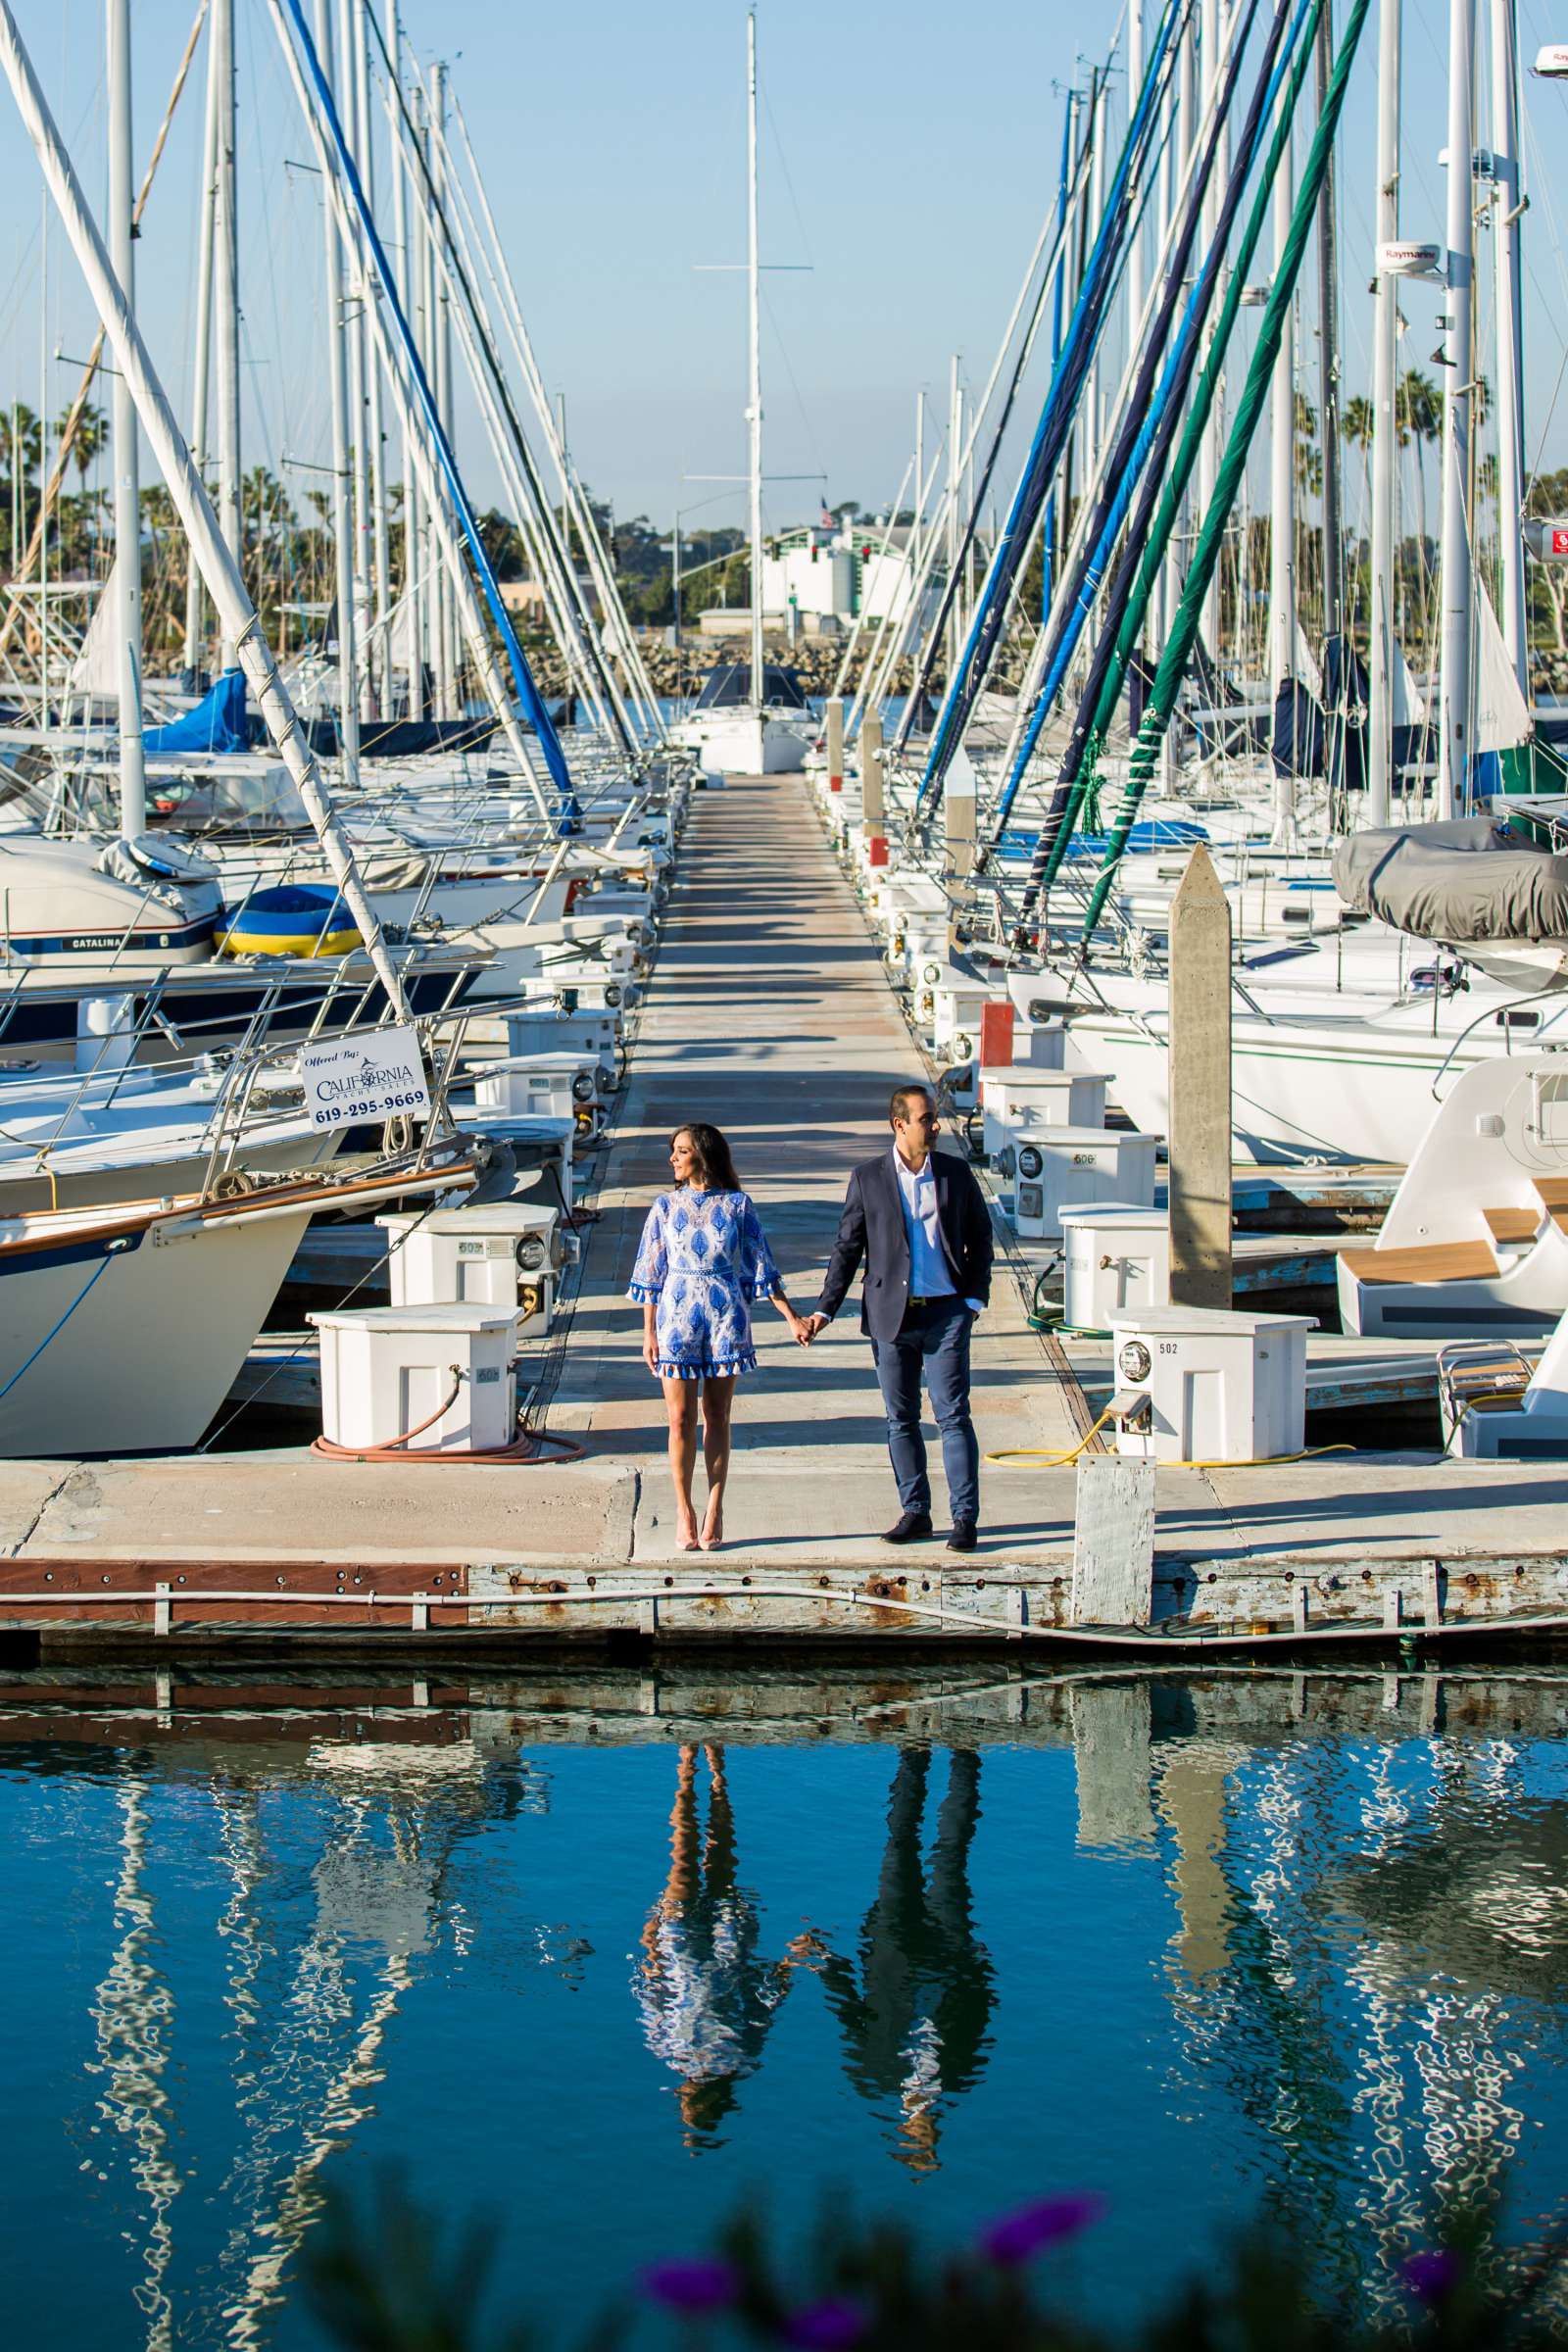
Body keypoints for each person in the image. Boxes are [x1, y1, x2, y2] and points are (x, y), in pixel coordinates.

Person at [799, 1084, 993, 1551]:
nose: (935, 1126)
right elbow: (848, 1247)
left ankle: (964, 1519)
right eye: (926, 1119)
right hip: (891, 1318)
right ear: (899, 1124)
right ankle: (916, 1513)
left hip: (947, 1313)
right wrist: (826, 1307)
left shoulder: (955, 1173)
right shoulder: (868, 1178)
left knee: (953, 1416)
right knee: (900, 1420)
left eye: (934, 1118)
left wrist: (974, 1300)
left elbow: (982, 1239)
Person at [630, 1122, 808, 1552]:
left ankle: (714, 1505)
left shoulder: (738, 1206)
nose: (673, 1158)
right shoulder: (665, 1208)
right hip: (675, 1320)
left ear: (703, 1156)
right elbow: (650, 1274)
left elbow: (761, 1265)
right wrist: (648, 1332)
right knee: (679, 1418)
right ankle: (684, 1509)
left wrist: (792, 1317)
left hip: (726, 1318)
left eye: (682, 1151)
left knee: (718, 1415)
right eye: (673, 1150)